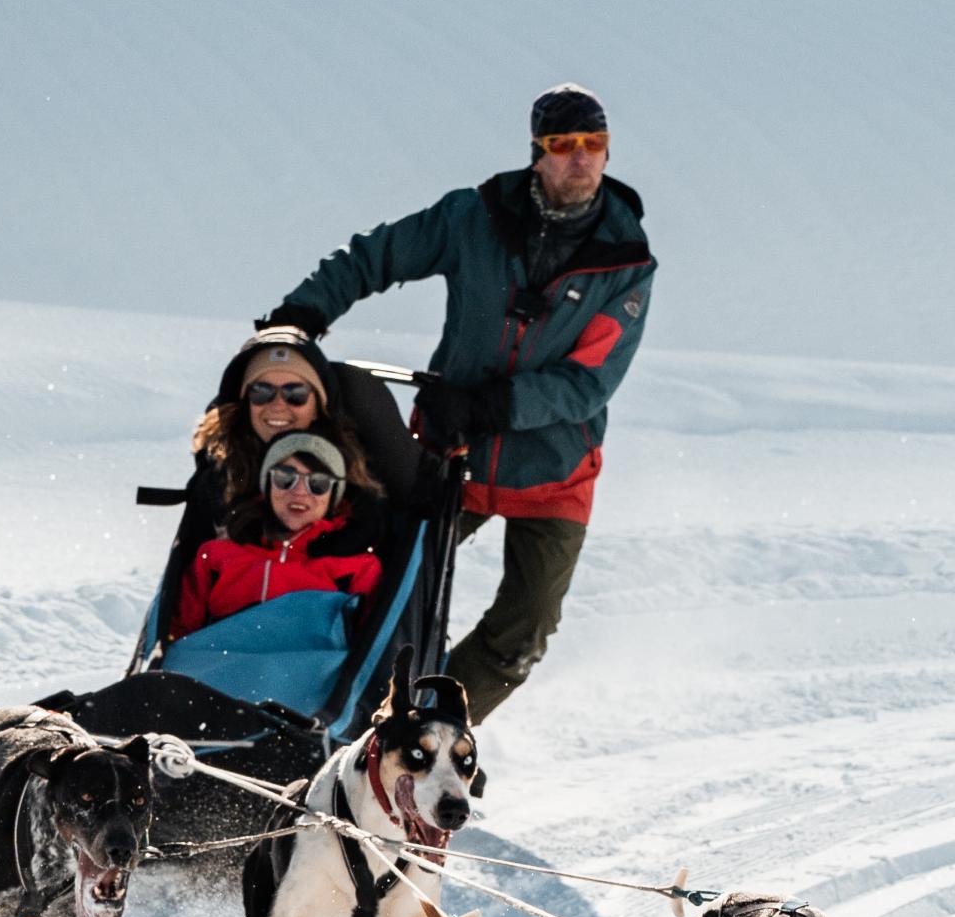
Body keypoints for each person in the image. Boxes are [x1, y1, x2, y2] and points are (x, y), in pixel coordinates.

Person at [265, 85, 654, 723]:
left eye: (594, 145)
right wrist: (300, 316)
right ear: (538, 155)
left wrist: (487, 405)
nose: (580, 159)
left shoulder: (627, 263)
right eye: (564, 145)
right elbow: (377, 255)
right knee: (384, 583)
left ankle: (433, 732)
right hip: (453, 456)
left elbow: (588, 383)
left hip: (556, 471)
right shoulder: (476, 218)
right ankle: (337, 716)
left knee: (524, 630)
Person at [149, 328, 376, 645]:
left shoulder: (356, 482)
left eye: (295, 394)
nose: (278, 406)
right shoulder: (220, 481)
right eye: (262, 392)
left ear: (319, 403)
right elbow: (184, 618)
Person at [169, 432, 387, 642]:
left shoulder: (356, 569)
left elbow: (371, 653)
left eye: (318, 483)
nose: (300, 491)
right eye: (285, 477)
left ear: (333, 497)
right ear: (267, 484)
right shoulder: (216, 558)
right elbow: (179, 638)